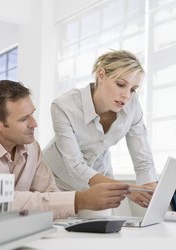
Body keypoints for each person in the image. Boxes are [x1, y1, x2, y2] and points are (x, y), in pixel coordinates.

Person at [0, 80, 131, 219]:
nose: (34, 124)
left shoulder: (32, 148)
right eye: (23, 119)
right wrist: (80, 200)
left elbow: (50, 193)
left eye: (32, 114)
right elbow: (0, 203)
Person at [43, 50, 157, 208]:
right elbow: (75, 165)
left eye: (133, 89)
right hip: (57, 180)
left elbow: (142, 158)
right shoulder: (64, 106)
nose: (126, 95)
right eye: (121, 84)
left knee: (105, 229)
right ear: (101, 74)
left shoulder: (132, 105)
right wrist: (128, 190)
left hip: (100, 178)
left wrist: (150, 191)